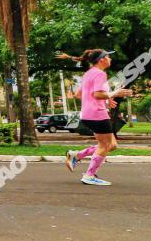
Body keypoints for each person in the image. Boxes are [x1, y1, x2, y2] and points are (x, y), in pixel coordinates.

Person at [56, 50, 132, 186]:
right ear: (101, 60)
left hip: (88, 114)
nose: (110, 59)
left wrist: (106, 100)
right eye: (108, 57)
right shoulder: (100, 74)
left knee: (112, 145)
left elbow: (80, 94)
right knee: (105, 145)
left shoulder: (88, 74)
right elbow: (97, 94)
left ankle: (76, 155)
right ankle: (89, 175)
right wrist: (114, 93)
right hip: (97, 114)